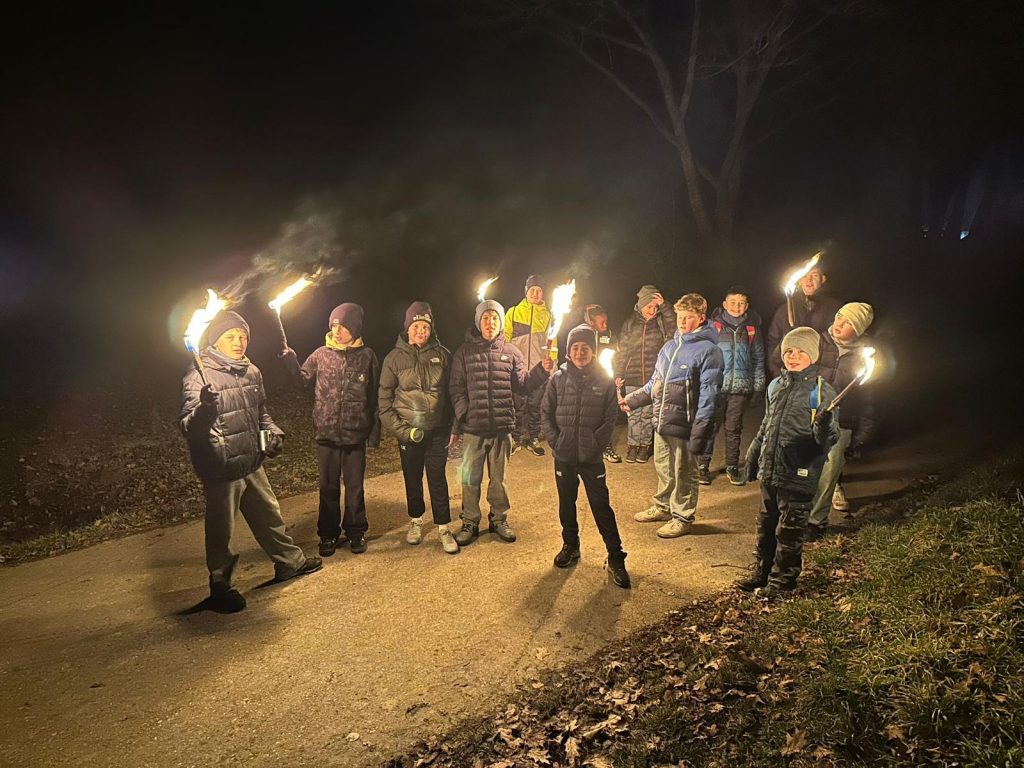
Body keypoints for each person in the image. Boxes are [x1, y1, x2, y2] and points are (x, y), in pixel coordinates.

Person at [179, 310, 322, 613]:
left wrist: (273, 433)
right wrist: (204, 409)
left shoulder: (251, 371)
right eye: (230, 336)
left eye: (243, 336)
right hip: (221, 467)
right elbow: (189, 427)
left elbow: (261, 413)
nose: (238, 341)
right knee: (222, 531)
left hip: (251, 461)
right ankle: (221, 586)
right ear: (215, 340)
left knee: (269, 515)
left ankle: (289, 563)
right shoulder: (198, 376)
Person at [737, 327, 840, 597]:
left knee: (790, 530)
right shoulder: (776, 386)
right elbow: (767, 425)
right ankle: (763, 571)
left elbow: (828, 439)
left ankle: (782, 581)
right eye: (789, 351)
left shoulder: (821, 391)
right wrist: (754, 453)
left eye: (800, 352)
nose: (793, 357)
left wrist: (824, 424)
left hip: (799, 471)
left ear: (813, 356)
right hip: (772, 468)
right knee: (766, 523)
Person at [450, 299, 553, 545]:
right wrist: (465, 413)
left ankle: (499, 519)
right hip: (474, 429)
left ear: (501, 322)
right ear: (478, 322)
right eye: (486, 318)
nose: (490, 323)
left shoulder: (512, 352)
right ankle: (470, 520)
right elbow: (456, 388)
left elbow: (523, 385)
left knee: (499, 479)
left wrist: (541, 370)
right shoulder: (464, 352)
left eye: (495, 318)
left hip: (502, 428)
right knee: (470, 479)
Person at [281, 303, 380, 557]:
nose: (337, 331)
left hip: (355, 434)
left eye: (343, 326)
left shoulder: (367, 356)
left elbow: (374, 397)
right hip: (326, 434)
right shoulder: (321, 354)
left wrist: (373, 433)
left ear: (355, 328)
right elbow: (302, 381)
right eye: (334, 325)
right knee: (328, 488)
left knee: (355, 488)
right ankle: (328, 533)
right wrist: (290, 360)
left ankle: (355, 531)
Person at [622, 294, 723, 538]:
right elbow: (655, 384)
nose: (682, 322)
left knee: (684, 472)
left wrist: (701, 429)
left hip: (686, 425)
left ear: (701, 318)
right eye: (680, 317)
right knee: (664, 467)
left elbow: (709, 395)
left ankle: (683, 517)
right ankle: (663, 507)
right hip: (663, 421)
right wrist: (633, 400)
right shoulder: (669, 347)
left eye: (689, 317)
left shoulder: (710, 351)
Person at [542, 324, 630, 587]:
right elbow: (545, 413)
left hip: (591, 458)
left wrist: (596, 444)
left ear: (593, 351)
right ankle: (571, 545)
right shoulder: (557, 379)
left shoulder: (604, 380)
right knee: (566, 503)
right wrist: (557, 441)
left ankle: (615, 556)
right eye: (576, 348)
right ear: (569, 352)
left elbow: (610, 417)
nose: (580, 352)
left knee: (601, 506)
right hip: (565, 455)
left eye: (585, 348)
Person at [378, 302, 459, 555]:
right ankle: (416, 520)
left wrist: (455, 426)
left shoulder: (443, 355)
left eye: (425, 326)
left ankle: (443, 526)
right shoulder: (393, 358)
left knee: (437, 478)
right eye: (416, 326)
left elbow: (454, 394)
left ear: (431, 329)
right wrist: (404, 431)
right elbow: (384, 403)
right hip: (409, 432)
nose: (421, 331)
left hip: (438, 431)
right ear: (407, 329)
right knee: (412, 478)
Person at [806, 302, 878, 540]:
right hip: (810, 414)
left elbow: (869, 398)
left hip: (841, 420)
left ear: (858, 330)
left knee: (829, 472)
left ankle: (815, 521)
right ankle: (795, 515)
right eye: (839, 317)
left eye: (848, 323)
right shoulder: (817, 341)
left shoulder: (865, 357)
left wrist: (863, 432)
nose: (839, 324)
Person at [700, 286, 766, 486]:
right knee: (710, 426)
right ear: (724, 304)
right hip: (716, 387)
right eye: (733, 302)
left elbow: (758, 358)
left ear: (747, 306)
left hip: (740, 387)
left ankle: (732, 466)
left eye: (741, 303)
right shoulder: (713, 327)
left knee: (734, 428)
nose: (737, 307)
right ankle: (702, 465)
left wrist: (758, 386)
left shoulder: (752, 329)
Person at [615, 285, 676, 464]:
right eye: (649, 306)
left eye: (655, 307)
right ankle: (633, 445)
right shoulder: (630, 323)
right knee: (634, 413)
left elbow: (674, 329)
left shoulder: (661, 322)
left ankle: (644, 446)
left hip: (653, 376)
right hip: (632, 375)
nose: (652, 310)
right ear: (641, 306)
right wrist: (619, 373)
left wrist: (665, 306)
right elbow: (623, 350)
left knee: (648, 414)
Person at [766, 264, 843, 378]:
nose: (809, 280)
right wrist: (778, 374)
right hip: (790, 377)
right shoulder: (784, 310)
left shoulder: (835, 309)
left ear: (822, 279)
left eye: (814, 275)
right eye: (804, 276)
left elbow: (838, 345)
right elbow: (773, 343)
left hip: (820, 378)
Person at [504, 274, 552, 456]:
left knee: (535, 406)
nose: (535, 293)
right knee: (517, 406)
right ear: (526, 291)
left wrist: (551, 367)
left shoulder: (548, 315)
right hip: (518, 369)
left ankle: (532, 438)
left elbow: (552, 343)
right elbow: (505, 339)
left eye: (539, 290)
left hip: (538, 371)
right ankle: (515, 438)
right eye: (532, 289)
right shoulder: (513, 312)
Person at [583, 303, 622, 463]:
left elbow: (618, 357)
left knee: (606, 416)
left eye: (606, 321)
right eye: (602, 322)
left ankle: (606, 448)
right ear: (591, 323)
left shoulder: (611, 335)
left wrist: (617, 375)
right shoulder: (584, 334)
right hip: (588, 383)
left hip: (605, 382)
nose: (605, 325)